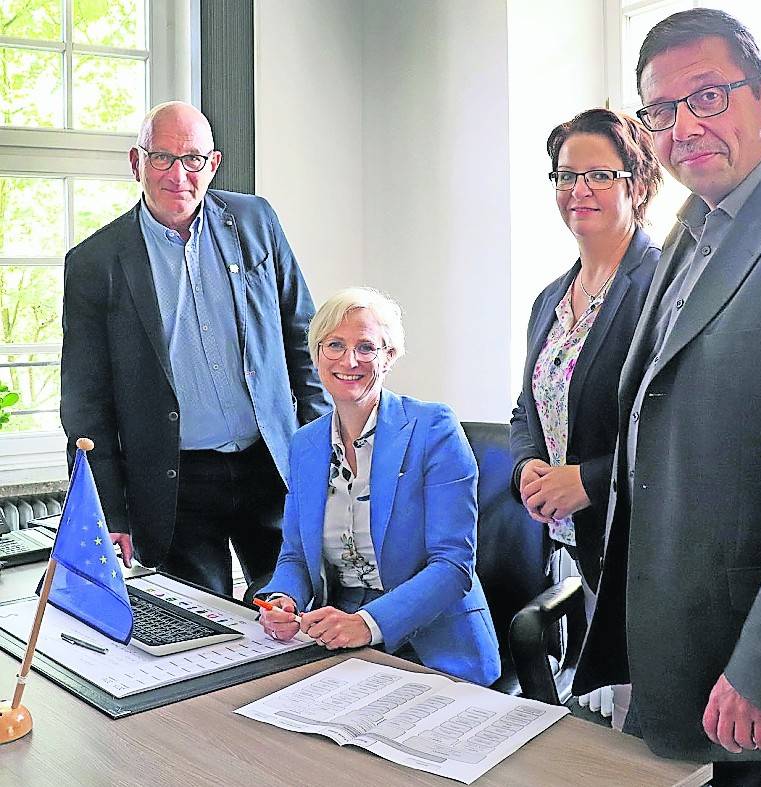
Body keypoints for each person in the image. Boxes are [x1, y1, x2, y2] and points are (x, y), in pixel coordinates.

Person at [573, 9, 761, 786]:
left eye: (708, 97)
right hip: (677, 628)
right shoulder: (693, 225)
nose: (684, 128)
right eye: (662, 111)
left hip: (745, 647)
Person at [60, 101, 330, 596]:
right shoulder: (95, 263)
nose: (177, 174)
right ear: (135, 163)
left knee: (296, 608)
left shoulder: (256, 221)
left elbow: (305, 338)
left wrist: (322, 445)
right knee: (202, 627)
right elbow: (85, 403)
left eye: (192, 159)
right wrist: (108, 512)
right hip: (176, 482)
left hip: (270, 464)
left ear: (213, 163)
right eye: (161, 157)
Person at [256, 287, 501, 686]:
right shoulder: (305, 445)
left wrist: (367, 624)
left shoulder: (433, 428)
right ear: (317, 356)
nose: (349, 360)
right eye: (334, 345)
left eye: (366, 347)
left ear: (389, 357)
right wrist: (284, 600)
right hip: (338, 639)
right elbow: (296, 557)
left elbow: (453, 566)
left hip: (436, 647)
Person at [510, 108, 661, 602]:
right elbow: (526, 409)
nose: (580, 189)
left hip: (646, 541)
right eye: (567, 175)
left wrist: (591, 480)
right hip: (578, 543)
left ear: (636, 185)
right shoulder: (549, 299)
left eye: (600, 175)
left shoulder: (662, 285)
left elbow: (679, 425)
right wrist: (526, 468)